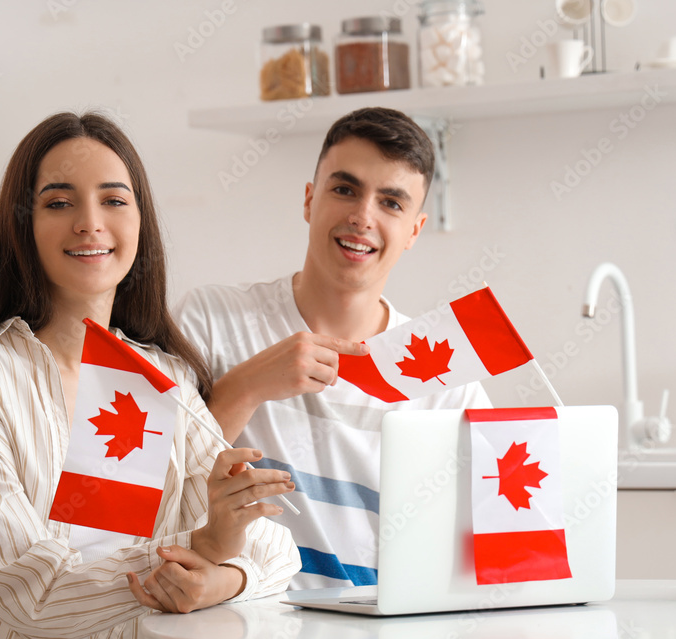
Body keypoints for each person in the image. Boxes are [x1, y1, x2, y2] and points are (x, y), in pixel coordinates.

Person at [0, 112, 298, 639]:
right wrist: (201, 548)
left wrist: (219, 578)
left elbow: (277, 552)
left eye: (113, 200)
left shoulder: (165, 380)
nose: (89, 222)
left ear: (140, 222)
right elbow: (32, 596)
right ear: (22, 226)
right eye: (59, 203)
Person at [178, 107, 490, 590]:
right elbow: (153, 485)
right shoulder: (212, 319)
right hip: (240, 628)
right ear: (309, 200)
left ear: (414, 230)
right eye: (344, 190)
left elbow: (482, 551)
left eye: (391, 203)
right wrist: (247, 386)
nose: (362, 217)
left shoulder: (448, 380)